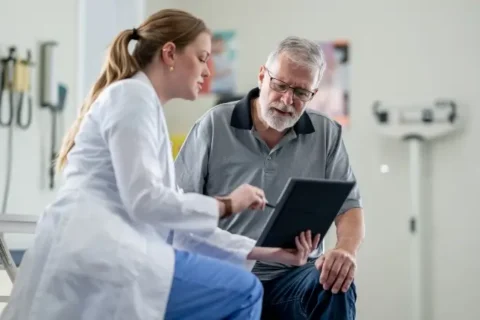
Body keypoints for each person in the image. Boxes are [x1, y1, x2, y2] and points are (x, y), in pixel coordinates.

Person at [0, 12, 320, 320]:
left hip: (116, 256)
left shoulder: (145, 107)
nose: (208, 71)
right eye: (201, 57)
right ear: (170, 54)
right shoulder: (130, 97)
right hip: (96, 257)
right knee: (244, 291)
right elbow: (146, 201)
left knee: (240, 289)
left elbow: (177, 225)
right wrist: (227, 204)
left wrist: (269, 252)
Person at [175, 36, 366, 320]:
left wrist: (344, 251)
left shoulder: (327, 134)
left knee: (334, 283)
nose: (287, 100)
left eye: (301, 92)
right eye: (280, 85)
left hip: (293, 277)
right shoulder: (213, 126)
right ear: (263, 76)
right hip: (226, 275)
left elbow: (349, 207)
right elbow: (179, 208)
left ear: (313, 94)